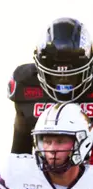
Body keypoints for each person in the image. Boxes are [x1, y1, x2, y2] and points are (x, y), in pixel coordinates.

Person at [8, 17, 93, 154]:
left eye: (71, 75)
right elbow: (21, 153)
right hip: (47, 169)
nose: (64, 81)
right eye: (56, 76)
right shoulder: (26, 83)